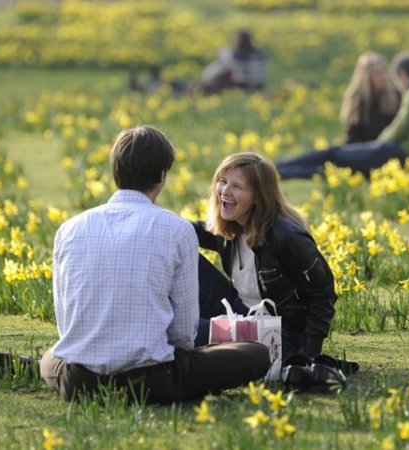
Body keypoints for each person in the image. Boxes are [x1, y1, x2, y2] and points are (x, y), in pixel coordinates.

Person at [40, 125, 270, 403]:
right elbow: (183, 335)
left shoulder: (68, 229)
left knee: (50, 357)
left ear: (115, 172)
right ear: (162, 176)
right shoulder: (176, 229)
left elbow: (67, 326)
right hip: (152, 381)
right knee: (257, 354)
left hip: (80, 382)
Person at [193, 152, 337, 363]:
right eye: (223, 182)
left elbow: (323, 294)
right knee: (185, 252)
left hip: (277, 332)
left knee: (184, 333)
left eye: (237, 187)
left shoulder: (286, 237)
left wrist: (309, 354)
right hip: (240, 313)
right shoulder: (230, 227)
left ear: (258, 196)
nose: (225, 191)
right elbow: (183, 230)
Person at [275, 51, 409, 179]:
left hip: (389, 153)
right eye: (378, 74)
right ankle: (280, 168)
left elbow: (400, 128)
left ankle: (280, 171)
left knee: (331, 162)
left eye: (387, 73)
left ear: (404, 75)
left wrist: (374, 147)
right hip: (383, 153)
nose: (386, 78)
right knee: (332, 157)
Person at [339, 52, 400, 144]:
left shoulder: (396, 96)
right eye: (378, 73)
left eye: (384, 72)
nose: (383, 77)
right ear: (367, 77)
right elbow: (352, 135)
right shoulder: (358, 99)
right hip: (364, 149)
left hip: (388, 146)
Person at [198, 29, 267, 94]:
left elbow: (213, 73)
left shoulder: (234, 54)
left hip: (240, 86)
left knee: (202, 86)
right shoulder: (259, 55)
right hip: (259, 87)